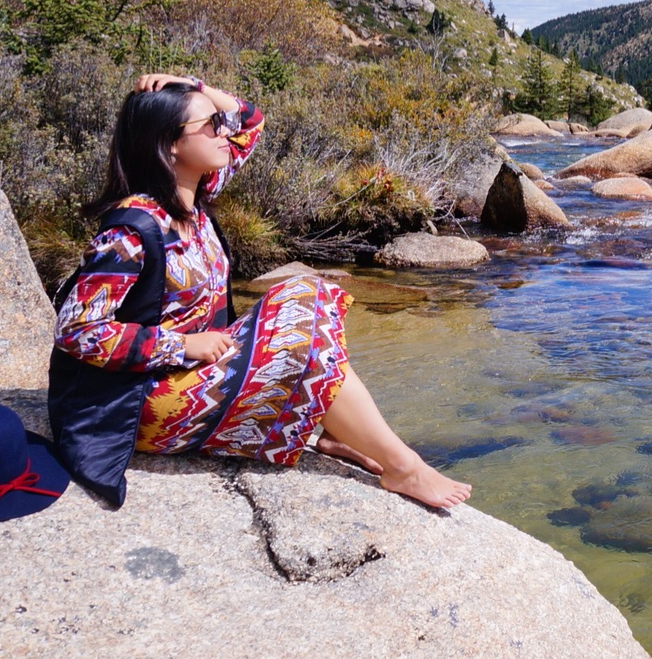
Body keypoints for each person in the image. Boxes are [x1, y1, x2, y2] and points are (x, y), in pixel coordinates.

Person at [47, 73, 470, 509]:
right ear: (170, 143)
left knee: (310, 293)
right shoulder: (131, 231)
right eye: (210, 124)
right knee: (298, 341)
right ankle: (402, 465)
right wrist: (183, 345)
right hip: (145, 404)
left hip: (192, 371)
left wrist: (190, 84)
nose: (224, 130)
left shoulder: (194, 194)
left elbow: (251, 122)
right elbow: (77, 330)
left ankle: (341, 432)